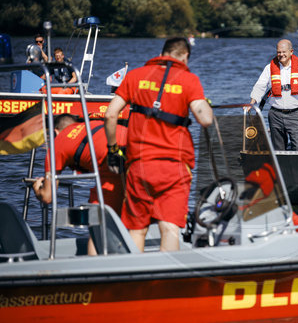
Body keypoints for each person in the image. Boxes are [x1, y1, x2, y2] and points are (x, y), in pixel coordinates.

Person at [104, 37, 213, 252]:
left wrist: (112, 149)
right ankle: (165, 281)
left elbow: (110, 114)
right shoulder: (188, 80)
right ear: (185, 56)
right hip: (174, 167)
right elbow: (205, 119)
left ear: (162, 53)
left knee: (137, 228)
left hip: (138, 166)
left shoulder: (135, 76)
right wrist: (204, 103)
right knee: (169, 228)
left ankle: (134, 279)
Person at [32, 114, 127, 255]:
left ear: (55, 132)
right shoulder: (92, 124)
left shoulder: (57, 145)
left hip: (112, 166)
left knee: (98, 225)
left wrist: (37, 189)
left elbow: (48, 197)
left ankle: (95, 270)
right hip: (136, 148)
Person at [250, 39, 298, 151]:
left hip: (295, 114)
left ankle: (297, 168)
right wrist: (251, 103)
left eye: (284, 52)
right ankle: (281, 168)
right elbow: (260, 86)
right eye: (279, 52)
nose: (281, 55)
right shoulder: (269, 68)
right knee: (278, 149)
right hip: (275, 114)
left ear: (291, 52)